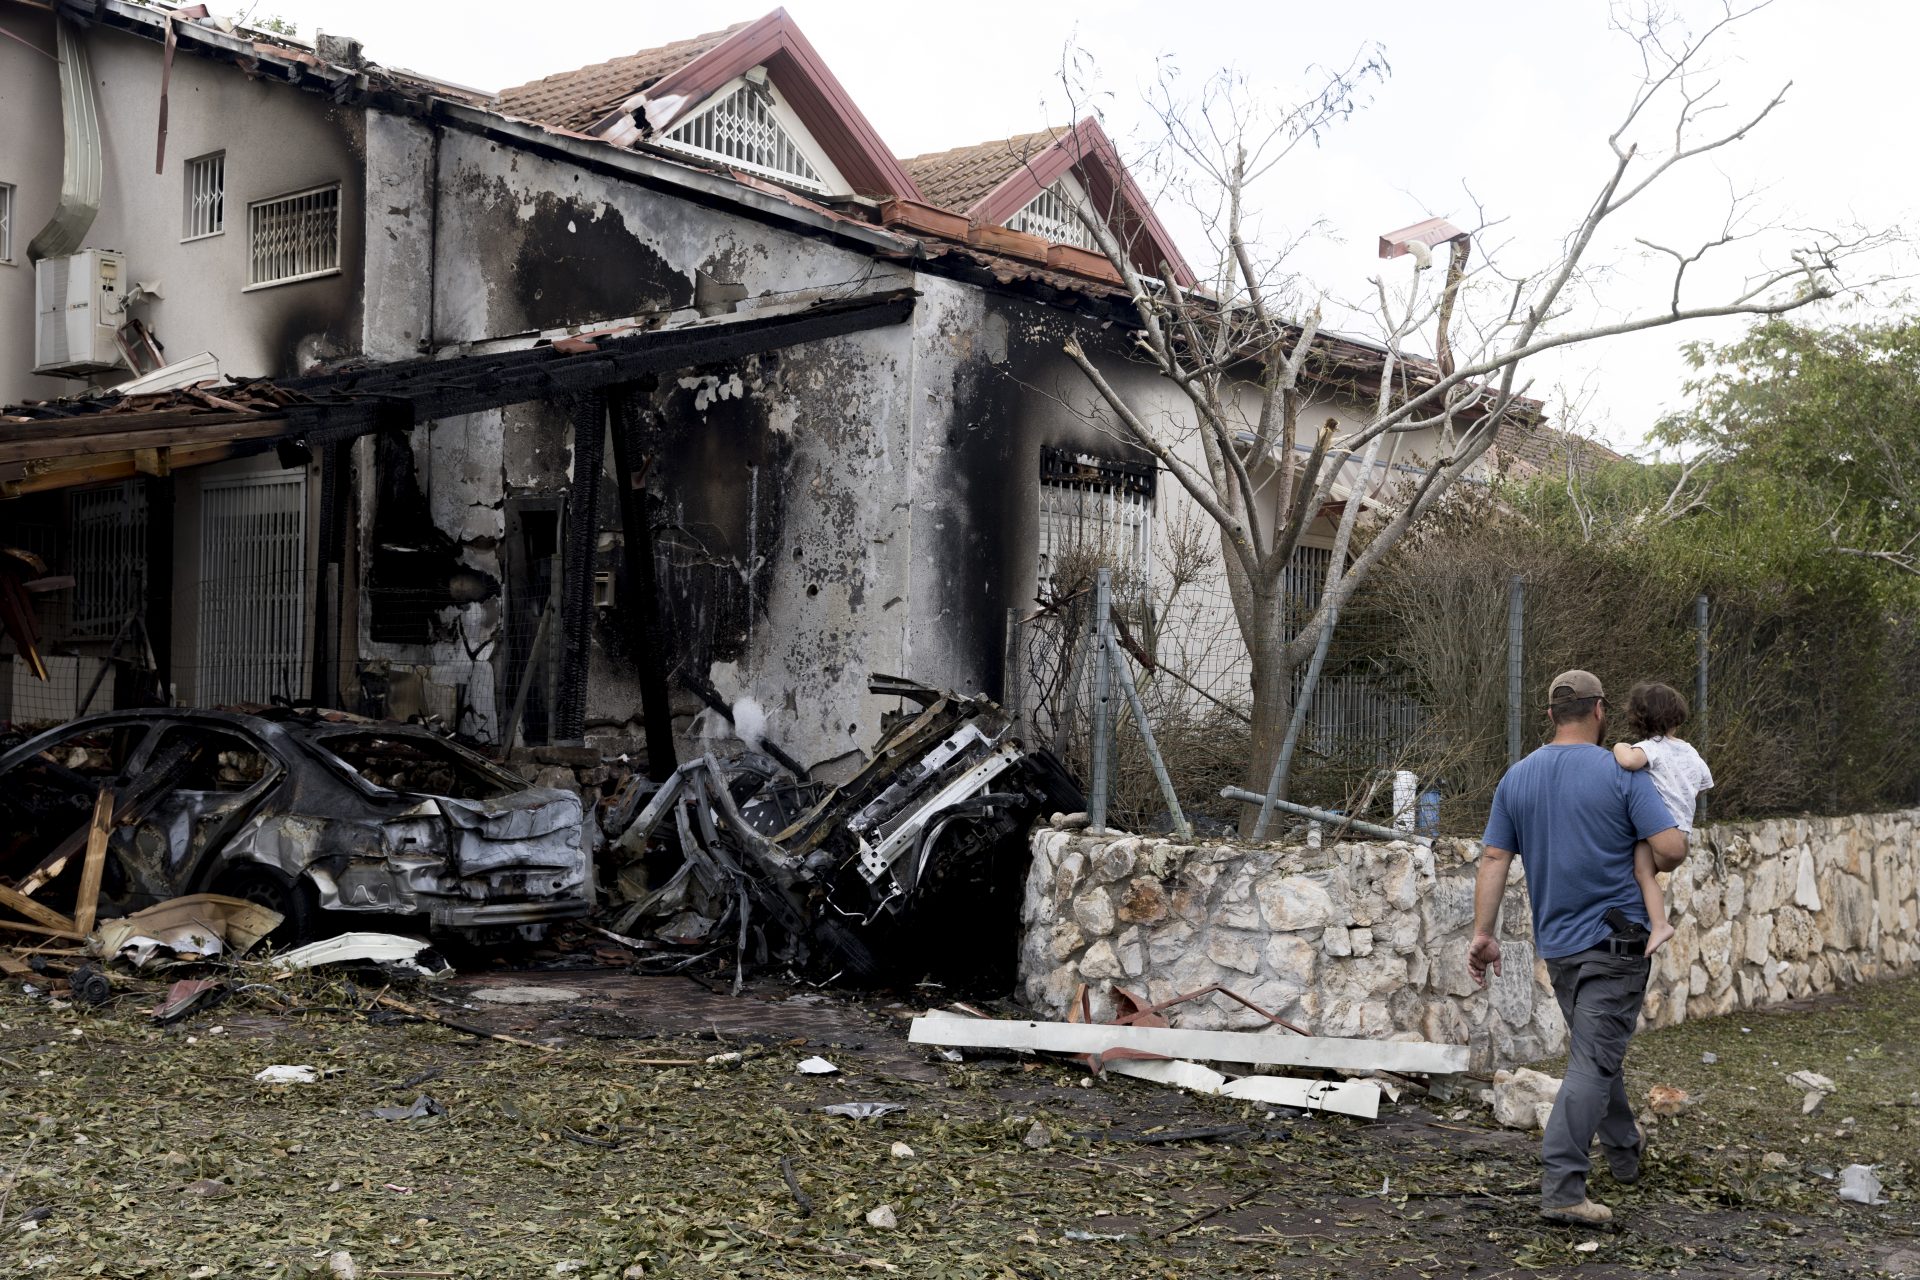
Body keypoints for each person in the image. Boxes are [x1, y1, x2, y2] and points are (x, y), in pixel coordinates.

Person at [1468, 669, 1688, 1225]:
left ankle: (1624, 1154)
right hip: (1616, 944)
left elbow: (1494, 858)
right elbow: (1669, 848)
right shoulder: (1620, 772)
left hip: (1560, 948)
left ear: (1549, 716)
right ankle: (1564, 1190)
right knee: (1592, 1061)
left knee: (1598, 1055)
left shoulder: (1515, 778)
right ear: (1599, 712)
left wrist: (1483, 934)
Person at [1611, 681, 1715, 957]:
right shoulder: (1689, 750)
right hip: (1682, 834)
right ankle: (1654, 922)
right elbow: (1705, 782)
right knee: (1645, 875)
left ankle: (1659, 924)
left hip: (1659, 833)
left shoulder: (1650, 747)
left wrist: (1619, 746)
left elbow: (1629, 762)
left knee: (1641, 873)